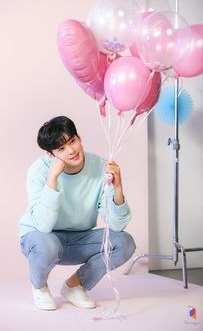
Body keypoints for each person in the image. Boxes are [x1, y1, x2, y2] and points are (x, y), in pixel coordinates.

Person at [19, 116, 136, 311]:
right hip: (41, 239)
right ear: (51, 155)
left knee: (124, 243)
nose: (71, 151)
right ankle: (39, 287)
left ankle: (75, 285)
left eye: (72, 141)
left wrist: (118, 188)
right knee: (47, 243)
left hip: (79, 240)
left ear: (79, 137)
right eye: (61, 149)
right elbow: (43, 226)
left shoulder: (100, 167)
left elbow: (116, 226)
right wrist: (53, 178)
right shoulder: (38, 171)